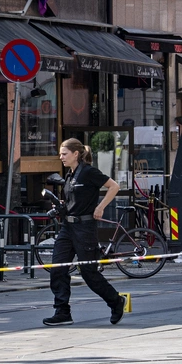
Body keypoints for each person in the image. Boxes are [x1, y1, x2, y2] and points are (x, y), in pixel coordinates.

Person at [43, 139, 127, 327]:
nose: (61, 157)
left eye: (64, 154)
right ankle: (62, 311)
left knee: (89, 273)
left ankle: (116, 301)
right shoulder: (70, 175)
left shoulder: (88, 172)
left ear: (75, 154)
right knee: (58, 268)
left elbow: (114, 186)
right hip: (68, 227)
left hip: (85, 228)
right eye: (60, 153)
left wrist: (101, 207)